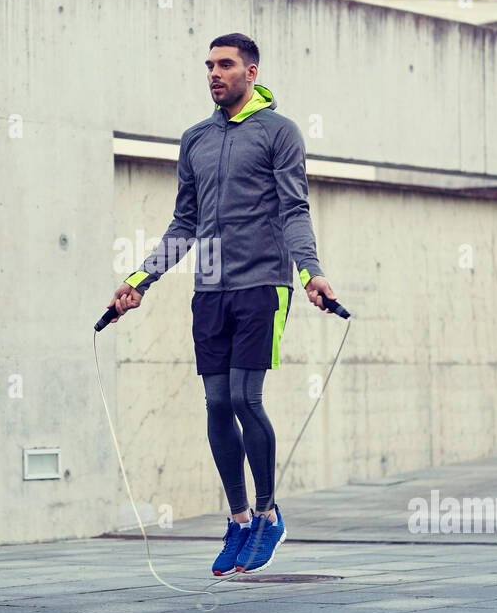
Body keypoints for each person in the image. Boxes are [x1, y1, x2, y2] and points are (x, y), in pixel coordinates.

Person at [107, 32, 338, 575]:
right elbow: (183, 223)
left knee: (243, 397)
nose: (215, 73)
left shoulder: (279, 133)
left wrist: (311, 273)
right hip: (209, 287)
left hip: (262, 282)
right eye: (209, 65)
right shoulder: (194, 140)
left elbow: (294, 210)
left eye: (226, 65)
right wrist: (139, 281)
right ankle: (237, 520)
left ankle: (268, 514)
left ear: (251, 72)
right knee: (215, 404)